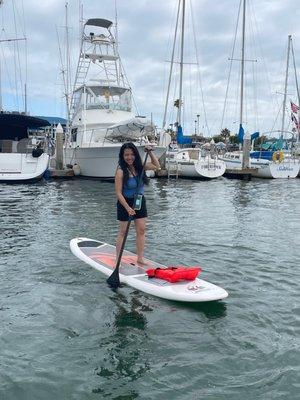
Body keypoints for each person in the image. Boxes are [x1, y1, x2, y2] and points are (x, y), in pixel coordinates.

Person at [115, 142, 161, 264]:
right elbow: (118, 193)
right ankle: (117, 259)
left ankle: (140, 258)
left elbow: (157, 166)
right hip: (125, 202)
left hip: (139, 200)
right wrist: (127, 208)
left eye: (131, 154)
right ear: (122, 156)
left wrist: (150, 152)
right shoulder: (120, 171)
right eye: (126, 155)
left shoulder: (140, 166)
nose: (129, 157)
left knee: (141, 230)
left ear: (135, 155)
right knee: (123, 232)